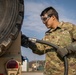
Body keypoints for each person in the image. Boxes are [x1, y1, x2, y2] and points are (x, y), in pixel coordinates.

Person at [21, 6, 76, 75]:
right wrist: (28, 43)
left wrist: (68, 50)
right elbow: (40, 49)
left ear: (53, 17)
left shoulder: (69, 27)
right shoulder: (47, 34)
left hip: (67, 72)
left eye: (45, 19)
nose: (43, 22)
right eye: (42, 20)